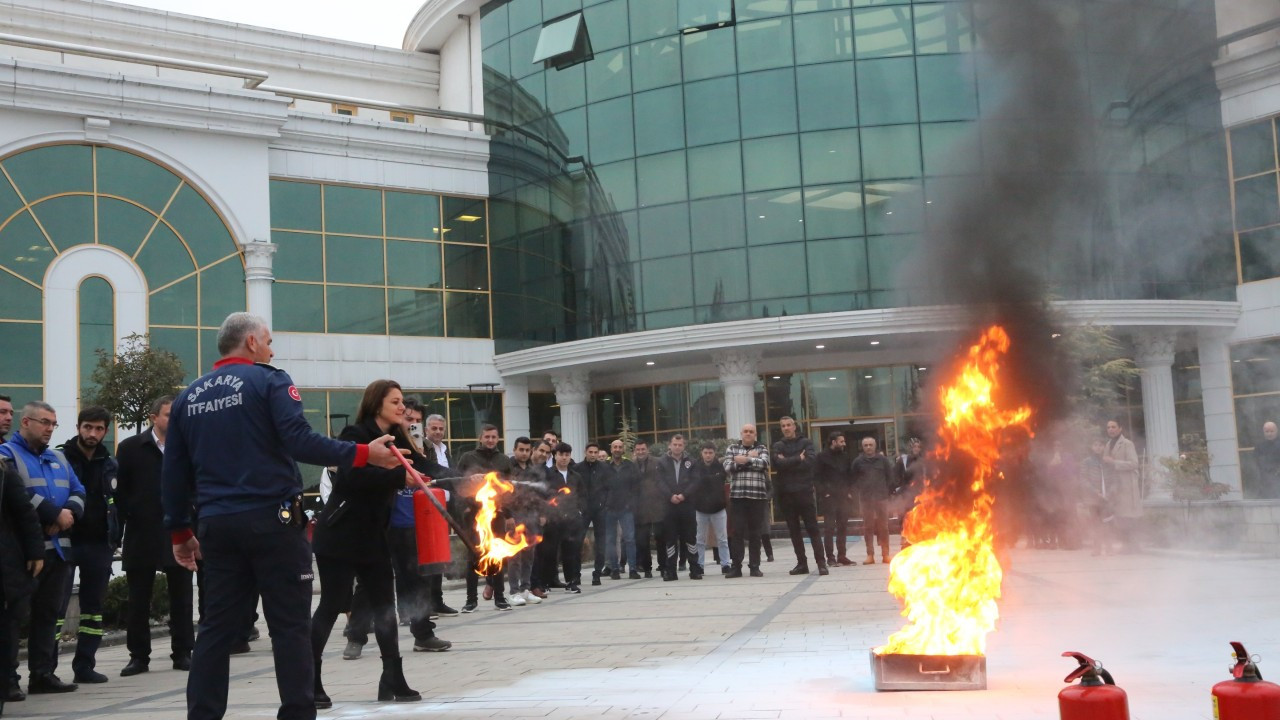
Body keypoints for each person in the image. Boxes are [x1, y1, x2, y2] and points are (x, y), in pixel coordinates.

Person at [161, 312, 404, 720]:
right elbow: (299, 441)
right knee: (288, 627)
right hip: (271, 522)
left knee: (216, 629)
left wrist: (179, 531)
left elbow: (174, 471)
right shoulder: (270, 380)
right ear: (252, 342)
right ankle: (296, 712)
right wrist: (364, 454)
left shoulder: (189, 397)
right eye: (269, 341)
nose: (272, 349)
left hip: (217, 526)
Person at [311, 380, 424, 707]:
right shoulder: (354, 436)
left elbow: (421, 469)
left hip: (373, 537)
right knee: (331, 604)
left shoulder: (398, 439)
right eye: (396, 402)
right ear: (377, 405)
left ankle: (393, 678)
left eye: (403, 402)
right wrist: (394, 476)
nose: (402, 407)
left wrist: (464, 478)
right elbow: (350, 478)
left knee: (385, 608)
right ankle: (310, 680)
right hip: (340, 534)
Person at [343, 398, 450, 658]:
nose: (408, 420)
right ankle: (355, 637)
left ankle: (423, 634)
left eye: (414, 420)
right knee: (369, 583)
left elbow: (429, 469)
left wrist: (465, 477)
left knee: (416, 580)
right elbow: (352, 475)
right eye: (404, 413)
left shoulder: (406, 443)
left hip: (408, 523)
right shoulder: (362, 436)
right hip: (378, 522)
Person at [1, 401, 85, 694]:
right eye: (44, 422)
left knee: (48, 615)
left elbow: (78, 490)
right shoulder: (6, 454)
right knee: (13, 618)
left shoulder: (58, 457)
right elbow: (16, 494)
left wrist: (68, 514)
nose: (50, 428)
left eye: (53, 424)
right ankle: (8, 680)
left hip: (59, 550)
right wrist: (52, 513)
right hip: (24, 554)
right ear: (26, 422)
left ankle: (42, 674)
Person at [116, 395, 193, 677]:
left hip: (180, 531)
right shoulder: (130, 448)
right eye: (169, 415)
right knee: (138, 599)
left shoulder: (187, 446)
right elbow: (120, 492)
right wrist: (129, 518)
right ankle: (138, 657)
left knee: (182, 597)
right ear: (153, 417)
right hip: (142, 533)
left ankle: (183, 652)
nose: (174, 420)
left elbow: (196, 484)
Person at [56, 407, 119, 684]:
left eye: (98, 429)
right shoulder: (59, 457)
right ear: (78, 427)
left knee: (93, 608)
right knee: (55, 609)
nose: (92, 434)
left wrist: (116, 536)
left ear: (106, 431)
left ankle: (85, 666)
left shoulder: (110, 463)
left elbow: (119, 503)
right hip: (65, 541)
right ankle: (44, 669)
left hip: (98, 543)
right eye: (87, 427)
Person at [0, 440, 43, 712]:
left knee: (5, 632)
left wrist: (35, 552)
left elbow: (26, 515)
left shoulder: (6, 475)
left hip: (5, 567)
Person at [456, 424, 512, 612]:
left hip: (496, 516)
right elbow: (458, 484)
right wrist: (463, 508)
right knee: (473, 555)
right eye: (487, 437)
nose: (490, 440)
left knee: (497, 554)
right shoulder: (468, 458)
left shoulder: (504, 460)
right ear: (480, 438)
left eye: (493, 437)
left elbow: (509, 490)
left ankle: (500, 597)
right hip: (473, 515)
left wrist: (508, 514)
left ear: (498, 439)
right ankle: (471, 600)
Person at [771, 417, 828, 576]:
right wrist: (797, 459)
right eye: (783, 426)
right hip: (786, 494)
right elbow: (776, 464)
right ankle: (802, 564)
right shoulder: (778, 445)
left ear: (794, 426)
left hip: (804, 492)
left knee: (813, 529)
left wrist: (787, 462)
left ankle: (821, 563)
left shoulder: (806, 443)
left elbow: (809, 463)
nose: (786, 428)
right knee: (794, 531)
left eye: (789, 425)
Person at [724, 424, 770, 578]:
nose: (748, 434)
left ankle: (754, 566)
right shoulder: (732, 448)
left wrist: (743, 460)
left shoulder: (762, 448)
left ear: (755, 434)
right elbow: (727, 466)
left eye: (751, 432)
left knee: (755, 533)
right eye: (746, 431)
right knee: (737, 533)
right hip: (738, 497)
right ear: (741, 433)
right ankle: (736, 567)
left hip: (757, 497)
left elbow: (764, 464)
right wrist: (752, 458)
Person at [541, 443, 587, 593]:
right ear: (555, 455)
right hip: (553, 519)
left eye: (567, 455)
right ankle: (546, 582)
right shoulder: (549, 474)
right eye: (561, 454)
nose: (564, 458)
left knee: (571, 551)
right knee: (550, 552)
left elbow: (582, 496)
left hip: (572, 519)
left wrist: (579, 511)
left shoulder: (576, 476)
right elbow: (544, 495)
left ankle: (571, 581)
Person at [656, 435, 698, 580]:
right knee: (670, 539)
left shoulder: (692, 462)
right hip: (669, 506)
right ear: (670, 445)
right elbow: (659, 482)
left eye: (680, 445)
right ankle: (671, 571)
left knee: (690, 538)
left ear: (684, 446)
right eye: (675, 444)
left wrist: (684, 495)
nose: (677, 447)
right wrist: (670, 496)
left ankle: (694, 569)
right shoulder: (661, 462)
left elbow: (695, 482)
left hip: (687, 505)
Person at [851, 436, 894, 565]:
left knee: (884, 527)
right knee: (867, 527)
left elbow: (890, 477)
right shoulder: (857, 462)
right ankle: (870, 555)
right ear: (862, 447)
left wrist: (887, 492)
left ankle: (885, 554)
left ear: (875, 446)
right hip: (866, 499)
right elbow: (853, 479)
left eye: (871, 445)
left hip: (881, 498)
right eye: (866, 445)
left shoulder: (883, 460)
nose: (868, 447)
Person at [601, 439, 640, 580]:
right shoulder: (604, 466)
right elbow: (600, 487)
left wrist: (631, 503)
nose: (617, 449)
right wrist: (604, 503)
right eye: (615, 447)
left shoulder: (630, 466)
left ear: (623, 450)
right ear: (611, 449)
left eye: (620, 447)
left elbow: (636, 487)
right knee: (610, 540)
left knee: (630, 539)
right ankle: (614, 569)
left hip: (626, 508)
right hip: (609, 509)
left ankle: (633, 569)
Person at [689, 441, 730, 575]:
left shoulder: (720, 466)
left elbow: (719, 481)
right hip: (700, 508)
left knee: (722, 539)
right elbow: (696, 483)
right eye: (705, 453)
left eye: (710, 453)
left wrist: (706, 480)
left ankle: (725, 564)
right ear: (702, 453)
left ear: (714, 453)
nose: (708, 455)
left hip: (718, 508)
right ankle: (700, 565)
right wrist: (711, 479)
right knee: (700, 540)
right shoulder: (696, 467)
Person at [815, 432, 855, 566]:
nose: (844, 444)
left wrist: (850, 492)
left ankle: (842, 556)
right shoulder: (821, 457)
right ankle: (830, 558)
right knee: (829, 528)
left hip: (843, 498)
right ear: (833, 442)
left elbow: (850, 476)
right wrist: (824, 493)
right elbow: (817, 477)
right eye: (841, 441)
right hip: (829, 498)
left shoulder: (845, 456)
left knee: (842, 527)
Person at [1102, 418, 1142, 552]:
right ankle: (1126, 545)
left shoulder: (1127, 444)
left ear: (1120, 428)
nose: (1111, 430)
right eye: (1108, 427)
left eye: (1113, 427)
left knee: (1128, 517)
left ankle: (1133, 545)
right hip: (1115, 487)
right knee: (1119, 517)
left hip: (1127, 486)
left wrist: (1114, 462)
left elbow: (1134, 464)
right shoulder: (1108, 444)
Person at [633, 441, 665, 579]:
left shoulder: (658, 462)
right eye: (638, 449)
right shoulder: (631, 465)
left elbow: (663, 481)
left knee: (661, 539)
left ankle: (663, 566)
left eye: (643, 449)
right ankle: (647, 568)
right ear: (635, 451)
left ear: (648, 450)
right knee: (642, 541)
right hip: (639, 508)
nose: (641, 452)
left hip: (657, 506)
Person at [580, 443, 609, 585]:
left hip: (600, 510)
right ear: (585, 452)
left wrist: (605, 504)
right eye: (590, 452)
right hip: (583, 510)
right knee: (578, 540)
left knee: (601, 542)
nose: (592, 454)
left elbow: (609, 488)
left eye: (595, 452)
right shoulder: (578, 469)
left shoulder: (604, 468)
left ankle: (597, 572)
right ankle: (575, 573)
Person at [1254, 421, 1280, 499]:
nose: (1269, 433)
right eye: (1267, 431)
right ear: (1264, 432)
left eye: (1272, 431)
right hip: (1265, 482)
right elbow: (1257, 463)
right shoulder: (1259, 446)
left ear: (1276, 431)